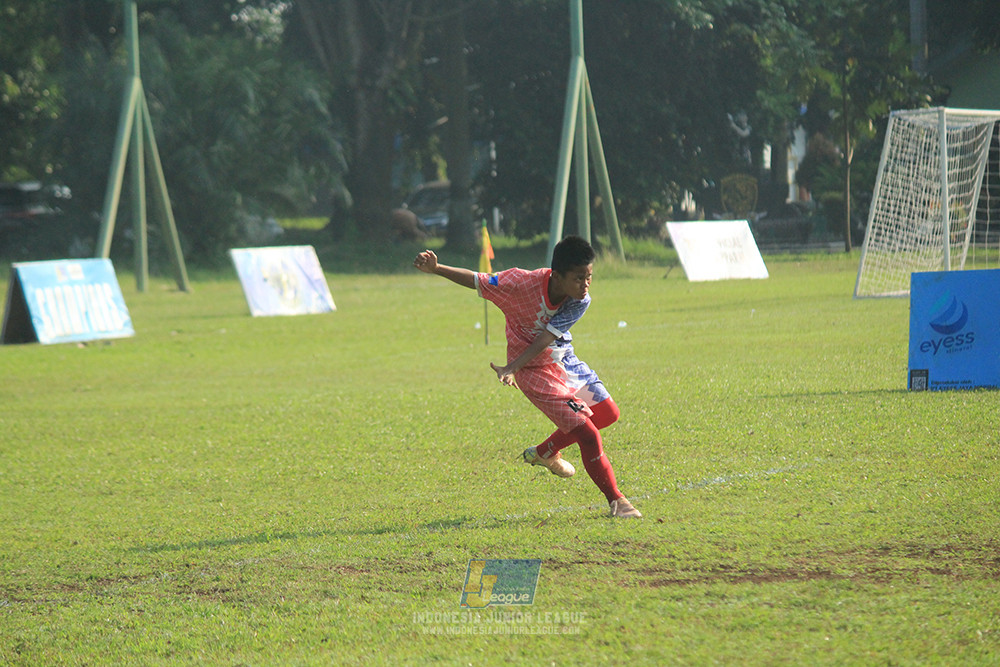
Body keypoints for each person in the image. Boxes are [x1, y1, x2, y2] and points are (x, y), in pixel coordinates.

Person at [413, 235, 641, 518]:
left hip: (564, 362)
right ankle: (617, 502)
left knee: (608, 414)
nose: (585, 285)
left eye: (589, 277)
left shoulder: (581, 300)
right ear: (557, 276)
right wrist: (437, 269)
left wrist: (511, 366)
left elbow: (547, 337)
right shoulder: (518, 283)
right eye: (578, 278)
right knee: (588, 433)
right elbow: (477, 279)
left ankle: (545, 452)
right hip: (534, 372)